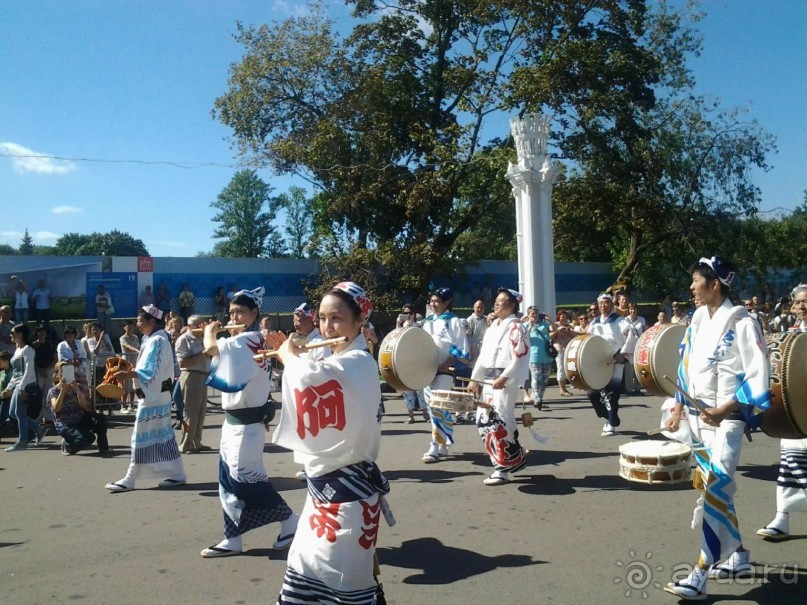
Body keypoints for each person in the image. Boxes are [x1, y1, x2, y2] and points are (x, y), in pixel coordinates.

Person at [272, 281, 389, 604]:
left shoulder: (358, 363)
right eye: (322, 318)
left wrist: (288, 358)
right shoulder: (338, 360)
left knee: (343, 587)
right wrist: (294, 358)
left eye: (335, 318)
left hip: (347, 499)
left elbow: (311, 379)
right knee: (303, 576)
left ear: (358, 321)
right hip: (321, 496)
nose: (326, 327)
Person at [663, 256, 770, 600]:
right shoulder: (696, 319)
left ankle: (700, 573)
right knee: (713, 487)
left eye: (696, 281)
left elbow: (758, 374)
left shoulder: (742, 322)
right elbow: (686, 363)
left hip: (727, 421)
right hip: (699, 419)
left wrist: (723, 408)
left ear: (716, 284)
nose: (691, 287)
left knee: (715, 490)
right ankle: (737, 555)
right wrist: (679, 406)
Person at [200, 287, 298, 558]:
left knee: (246, 481)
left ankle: (290, 520)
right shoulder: (246, 340)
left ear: (254, 314)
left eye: (240, 311)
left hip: (247, 425)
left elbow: (211, 349)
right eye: (231, 312)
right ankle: (232, 537)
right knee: (227, 481)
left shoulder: (248, 340)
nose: (234, 316)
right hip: (234, 424)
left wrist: (210, 333)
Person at [104, 305, 186, 492]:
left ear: (152, 321)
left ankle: (131, 478)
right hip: (157, 395)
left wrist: (128, 375)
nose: (137, 324)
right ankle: (177, 473)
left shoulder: (157, 340)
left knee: (140, 436)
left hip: (154, 397)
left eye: (140, 321)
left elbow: (150, 371)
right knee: (163, 436)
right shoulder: (155, 339)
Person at [756, 284, 807, 542]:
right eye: (798, 302)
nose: (801, 307)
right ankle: (782, 517)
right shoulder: (792, 335)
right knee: (789, 459)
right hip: (797, 410)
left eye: (805, 302)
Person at [468, 287, 530, 486]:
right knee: (483, 419)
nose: (496, 303)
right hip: (489, 378)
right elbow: (484, 356)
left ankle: (501, 469)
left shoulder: (517, 327)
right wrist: (474, 379)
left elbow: (520, 355)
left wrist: (505, 376)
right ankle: (515, 454)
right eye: (496, 299)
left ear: (512, 306)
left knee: (498, 420)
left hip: (504, 380)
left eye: (501, 300)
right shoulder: (494, 326)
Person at [420, 287, 471, 463]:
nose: (433, 304)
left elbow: (461, 349)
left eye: (437, 301)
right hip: (427, 370)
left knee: (436, 406)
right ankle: (443, 443)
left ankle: (434, 445)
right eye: (431, 301)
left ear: (447, 302)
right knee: (434, 407)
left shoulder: (454, 321)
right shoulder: (427, 323)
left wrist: (446, 362)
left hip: (444, 370)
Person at [586, 293, 638, 437]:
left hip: (615, 360)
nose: (603, 305)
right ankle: (610, 417)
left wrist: (623, 355)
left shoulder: (619, 320)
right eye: (601, 303)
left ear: (612, 305)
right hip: (598, 362)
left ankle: (610, 423)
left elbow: (631, 337)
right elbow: (587, 340)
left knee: (611, 393)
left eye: (606, 303)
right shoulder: (594, 322)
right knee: (592, 393)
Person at [48, 362, 109, 455]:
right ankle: (68, 446)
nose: (65, 374)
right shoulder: (53, 391)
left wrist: (76, 389)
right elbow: (56, 408)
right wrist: (63, 390)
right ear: (57, 374)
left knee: (100, 419)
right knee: (88, 438)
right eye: (62, 372)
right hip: (66, 424)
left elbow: (84, 406)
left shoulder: (78, 387)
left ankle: (103, 447)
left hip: (79, 419)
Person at [4, 324, 44, 451]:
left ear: (20, 335)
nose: (10, 335)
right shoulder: (18, 350)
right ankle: (38, 429)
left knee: (19, 413)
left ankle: (22, 441)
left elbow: (28, 370)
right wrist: (9, 388)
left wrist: (22, 388)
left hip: (26, 385)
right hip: (18, 385)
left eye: (12, 332)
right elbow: (16, 372)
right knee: (13, 414)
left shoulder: (28, 349)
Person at [175, 315, 211, 454]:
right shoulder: (183, 339)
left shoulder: (203, 338)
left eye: (203, 323)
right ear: (190, 326)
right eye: (198, 324)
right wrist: (203, 353)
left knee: (201, 412)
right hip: (191, 375)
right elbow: (183, 363)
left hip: (203, 375)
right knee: (191, 413)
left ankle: (196, 441)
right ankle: (186, 444)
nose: (202, 326)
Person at [397, 304, 427, 423]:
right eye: (405, 313)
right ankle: (410, 415)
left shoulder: (419, 326)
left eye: (409, 313)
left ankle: (425, 413)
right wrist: (398, 324)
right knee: (407, 390)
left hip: (417, 361)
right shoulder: (401, 327)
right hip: (405, 361)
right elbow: (395, 339)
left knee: (420, 388)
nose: (408, 315)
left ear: (414, 314)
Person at [523, 307, 554, 410]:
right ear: (528, 315)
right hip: (534, 357)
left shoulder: (544, 325)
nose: (534, 316)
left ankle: (539, 397)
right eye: (532, 314)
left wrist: (550, 320)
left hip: (547, 356)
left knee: (544, 380)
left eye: (536, 313)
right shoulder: (525, 326)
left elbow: (554, 330)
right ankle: (537, 399)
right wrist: (530, 325)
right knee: (536, 379)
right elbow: (524, 337)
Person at [550, 310, 576, 397]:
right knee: (561, 368)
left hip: (569, 349)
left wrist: (569, 331)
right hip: (559, 349)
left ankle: (565, 388)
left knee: (567, 369)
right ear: (558, 317)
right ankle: (562, 389)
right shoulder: (555, 325)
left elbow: (576, 336)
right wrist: (558, 330)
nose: (563, 319)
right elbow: (550, 336)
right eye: (562, 317)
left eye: (565, 317)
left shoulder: (570, 326)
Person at [119, 321, 140, 412]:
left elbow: (139, 347)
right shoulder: (122, 338)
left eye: (131, 327)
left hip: (135, 361)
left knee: (133, 384)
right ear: (124, 328)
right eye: (128, 327)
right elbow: (126, 346)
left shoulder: (136, 337)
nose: (130, 328)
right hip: (126, 361)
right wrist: (136, 350)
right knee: (125, 384)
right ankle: (123, 406)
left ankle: (131, 405)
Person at [32, 325, 56, 392]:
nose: (42, 334)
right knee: (38, 390)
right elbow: (32, 360)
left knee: (49, 390)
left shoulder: (50, 344)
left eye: (44, 332)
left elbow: (55, 358)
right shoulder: (33, 345)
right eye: (40, 332)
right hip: (38, 371)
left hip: (49, 369)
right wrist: (39, 370)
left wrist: (46, 370)